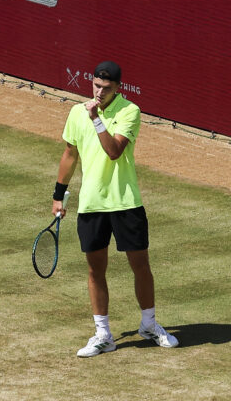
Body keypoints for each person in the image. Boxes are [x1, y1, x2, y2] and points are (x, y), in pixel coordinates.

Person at [52, 60, 178, 357]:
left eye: (106, 88)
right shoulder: (76, 112)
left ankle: (149, 325)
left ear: (118, 88)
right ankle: (103, 335)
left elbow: (113, 151)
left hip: (125, 202)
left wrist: (96, 118)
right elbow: (70, 154)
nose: (100, 92)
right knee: (95, 270)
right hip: (92, 204)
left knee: (140, 265)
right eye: (96, 86)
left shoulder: (130, 111)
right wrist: (59, 195)